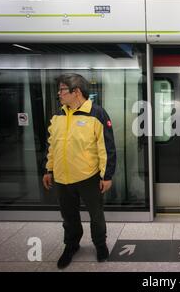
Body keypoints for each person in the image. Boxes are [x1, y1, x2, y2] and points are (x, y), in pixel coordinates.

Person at [42, 73, 116, 269]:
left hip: (88, 176)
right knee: (68, 216)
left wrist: (106, 175)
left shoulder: (96, 113)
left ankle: (100, 244)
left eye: (62, 90)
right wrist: (49, 169)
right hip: (61, 177)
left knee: (96, 214)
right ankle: (71, 245)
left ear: (76, 92)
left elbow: (106, 147)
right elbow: (52, 146)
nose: (59, 94)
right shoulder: (58, 115)